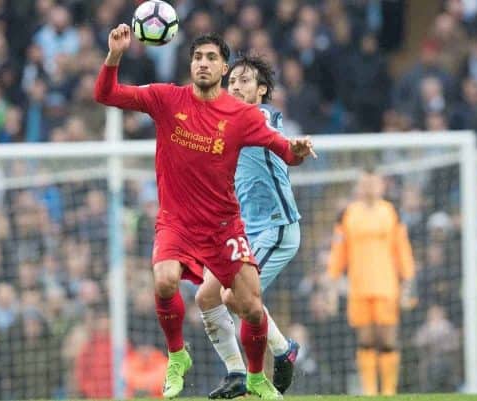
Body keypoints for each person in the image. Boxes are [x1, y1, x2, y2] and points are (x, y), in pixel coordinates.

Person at [94, 26, 316, 400]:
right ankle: (184, 357)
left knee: (245, 304)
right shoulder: (167, 98)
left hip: (226, 227)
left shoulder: (245, 116)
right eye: (197, 57)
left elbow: (284, 150)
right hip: (177, 223)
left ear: (222, 67)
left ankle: (260, 373)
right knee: (170, 283)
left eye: (212, 57)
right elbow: (106, 93)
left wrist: (298, 149)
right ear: (190, 64)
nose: (203, 63)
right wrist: (114, 55)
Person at [195, 54, 301, 399]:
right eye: (233, 80)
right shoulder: (221, 123)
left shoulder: (261, 115)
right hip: (243, 231)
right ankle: (238, 371)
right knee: (207, 295)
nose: (236, 86)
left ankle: (282, 351)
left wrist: (293, 148)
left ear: (262, 90)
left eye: (245, 80)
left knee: (234, 296)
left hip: (277, 228)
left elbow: (273, 132)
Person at [326, 168, 416, 396]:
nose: (369, 187)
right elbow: (339, 251)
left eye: (373, 183)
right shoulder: (348, 214)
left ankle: (388, 390)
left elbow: (402, 249)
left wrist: (408, 280)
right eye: (365, 183)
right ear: (359, 186)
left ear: (381, 185)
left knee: (387, 339)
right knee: (365, 340)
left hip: (387, 285)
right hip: (358, 287)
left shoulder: (391, 212)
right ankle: (369, 391)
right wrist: (332, 284)